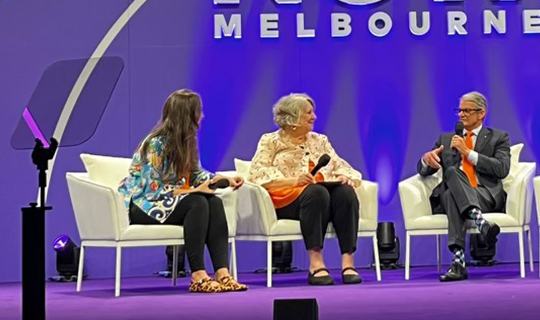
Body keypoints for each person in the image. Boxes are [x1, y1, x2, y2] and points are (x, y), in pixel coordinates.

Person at [118, 89, 247, 293]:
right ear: (187, 116)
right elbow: (153, 189)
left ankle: (222, 273)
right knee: (197, 201)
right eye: (198, 112)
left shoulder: (189, 141)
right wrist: (194, 190)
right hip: (144, 204)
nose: (202, 116)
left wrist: (222, 180)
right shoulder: (155, 144)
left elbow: (196, 173)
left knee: (213, 201)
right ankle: (198, 275)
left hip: (169, 201)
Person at [248, 93, 363, 286]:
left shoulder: (320, 140)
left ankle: (348, 262)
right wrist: (293, 181)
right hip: (288, 200)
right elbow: (257, 173)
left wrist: (345, 177)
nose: (314, 117)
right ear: (292, 120)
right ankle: (316, 263)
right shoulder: (270, 141)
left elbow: (339, 164)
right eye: (308, 113)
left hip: (321, 195)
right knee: (316, 192)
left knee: (345, 192)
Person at [418, 91, 511, 282]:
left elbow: (502, 169)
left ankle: (458, 263)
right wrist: (426, 161)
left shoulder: (498, 138)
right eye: (459, 111)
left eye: (467, 111)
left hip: (484, 194)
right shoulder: (445, 139)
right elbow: (422, 170)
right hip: (456, 195)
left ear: (481, 113)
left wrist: (468, 153)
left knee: (451, 193)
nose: (461, 115)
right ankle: (480, 223)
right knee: (451, 178)